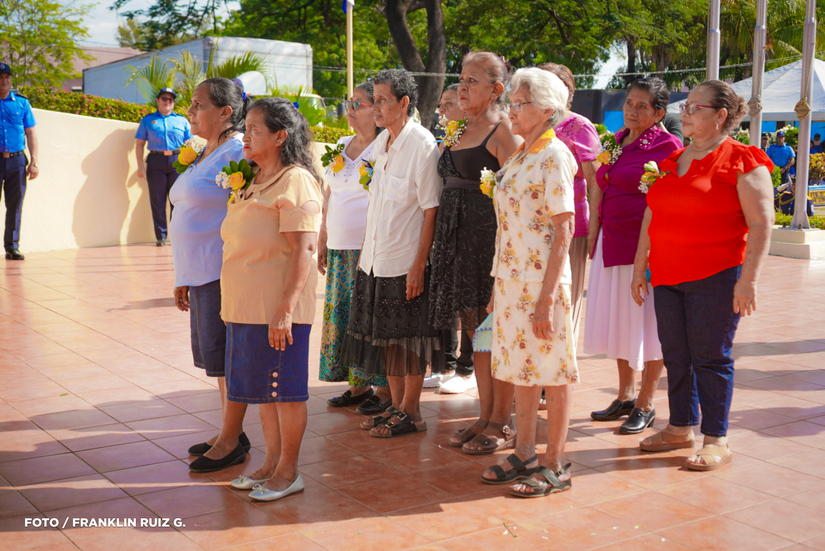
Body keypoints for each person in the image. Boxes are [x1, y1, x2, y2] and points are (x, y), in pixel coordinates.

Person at [633, 80, 775, 471]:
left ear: (721, 116)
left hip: (716, 275)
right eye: (687, 105)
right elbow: (651, 214)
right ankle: (679, 427)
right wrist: (639, 265)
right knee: (676, 354)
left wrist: (748, 280)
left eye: (696, 107)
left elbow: (763, 223)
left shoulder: (743, 160)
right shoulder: (670, 161)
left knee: (710, 357)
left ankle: (716, 438)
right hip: (666, 274)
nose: (686, 112)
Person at [480, 67, 578, 497]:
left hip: (542, 284)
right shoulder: (522, 153)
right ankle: (524, 452)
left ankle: (556, 463)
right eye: (513, 104)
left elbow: (564, 230)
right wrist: (496, 285)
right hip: (512, 281)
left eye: (518, 104)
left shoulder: (553, 156)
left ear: (546, 109)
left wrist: (546, 300)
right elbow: (508, 227)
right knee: (522, 368)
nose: (511, 111)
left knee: (551, 372)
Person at [222, 97, 323, 501]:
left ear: (280, 136)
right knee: (265, 392)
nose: (244, 137)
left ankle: (288, 472)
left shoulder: (296, 180)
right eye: (245, 129)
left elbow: (305, 250)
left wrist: (283, 311)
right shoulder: (251, 178)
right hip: (246, 308)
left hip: (278, 311)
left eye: (254, 130)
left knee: (284, 392)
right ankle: (268, 464)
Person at [340, 68, 444, 437]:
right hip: (374, 261)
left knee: (408, 340)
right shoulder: (383, 143)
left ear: (404, 103)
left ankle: (412, 412)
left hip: (405, 261)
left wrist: (419, 265)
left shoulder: (421, 144)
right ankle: (396, 407)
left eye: (383, 100)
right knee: (386, 339)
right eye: (376, 100)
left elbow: (431, 209)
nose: (377, 107)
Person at [427, 52, 522, 448]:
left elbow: (518, 196)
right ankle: (485, 416)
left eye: (472, 81)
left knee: (494, 333)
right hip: (456, 240)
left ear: (497, 89)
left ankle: (504, 421)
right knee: (474, 333)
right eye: (461, 79)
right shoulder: (459, 127)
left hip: (487, 244)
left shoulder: (503, 131)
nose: (462, 87)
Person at [583, 78, 682, 434]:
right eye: (629, 103)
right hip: (612, 244)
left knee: (647, 326)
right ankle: (625, 396)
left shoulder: (668, 146)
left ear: (658, 113)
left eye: (642, 106)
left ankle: (646, 402)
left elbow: (671, 200)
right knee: (620, 323)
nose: (632, 110)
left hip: (644, 249)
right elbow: (601, 183)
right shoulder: (617, 141)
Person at [168, 78, 250, 473]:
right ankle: (229, 430)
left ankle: (232, 439)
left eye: (198, 105)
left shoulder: (238, 151)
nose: (191, 111)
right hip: (198, 271)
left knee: (228, 357)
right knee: (216, 359)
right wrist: (182, 273)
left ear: (225, 112)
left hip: (222, 271)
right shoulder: (203, 152)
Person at [317, 81, 390, 413]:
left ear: (376, 110)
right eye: (350, 102)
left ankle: (384, 389)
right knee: (345, 315)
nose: (350, 108)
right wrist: (322, 237)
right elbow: (329, 194)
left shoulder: (385, 147)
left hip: (370, 249)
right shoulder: (342, 144)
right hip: (338, 247)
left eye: (358, 103)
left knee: (371, 317)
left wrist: (370, 245)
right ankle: (357, 386)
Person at [537, 62, 600, 339]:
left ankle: (559, 377)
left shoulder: (579, 125)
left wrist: (594, 230)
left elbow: (595, 181)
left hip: (569, 225)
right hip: (533, 225)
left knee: (563, 303)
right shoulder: (530, 124)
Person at [135, 87, 192, 246]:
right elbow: (139, 144)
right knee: (157, 200)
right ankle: (160, 237)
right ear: (157, 101)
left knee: (177, 200)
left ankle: (176, 235)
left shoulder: (182, 120)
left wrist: (191, 165)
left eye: (171, 100)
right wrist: (140, 166)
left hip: (177, 161)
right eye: (164, 99)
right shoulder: (148, 121)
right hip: (156, 161)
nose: (168, 102)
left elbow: (191, 143)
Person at [0, 63, 38, 261]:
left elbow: (31, 133)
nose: (4, 80)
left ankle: (12, 247)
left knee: (15, 205)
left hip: (17, 161)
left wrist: (34, 162)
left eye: (7, 77)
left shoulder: (22, 103)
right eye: (1, 77)